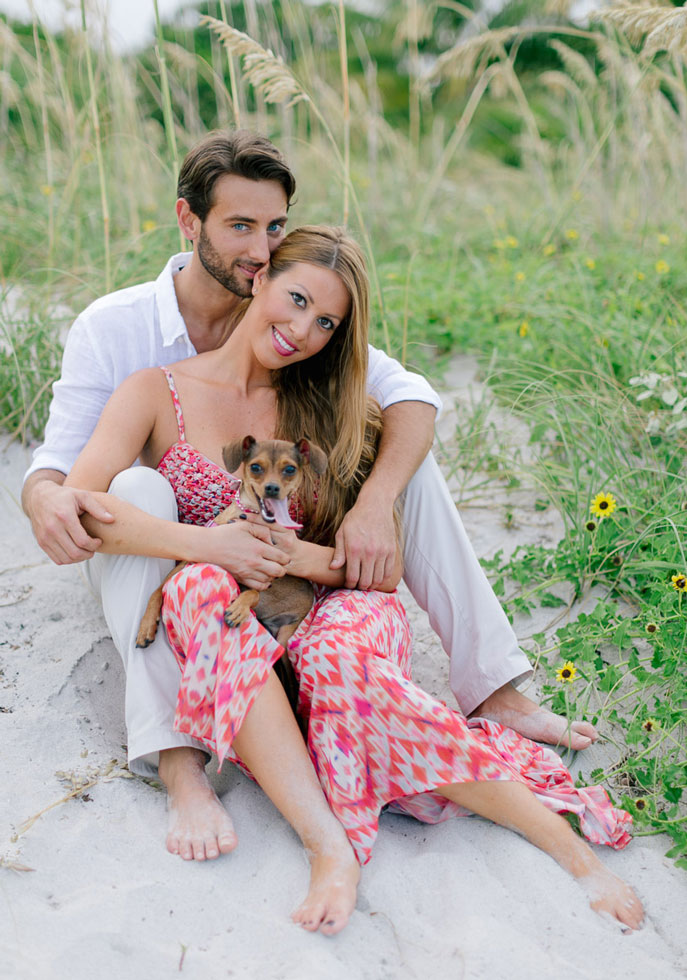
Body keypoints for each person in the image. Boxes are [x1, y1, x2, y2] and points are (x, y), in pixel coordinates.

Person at [22, 129, 596, 862]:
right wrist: (51, 501)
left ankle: (493, 688)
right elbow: (68, 478)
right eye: (239, 227)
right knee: (140, 484)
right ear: (188, 222)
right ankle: (177, 759)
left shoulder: (298, 329)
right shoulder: (119, 330)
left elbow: (408, 396)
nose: (260, 249)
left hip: (279, 569)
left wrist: (371, 504)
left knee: (407, 466)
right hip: (157, 557)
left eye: (274, 228)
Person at [64, 225, 643, 935]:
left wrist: (285, 554)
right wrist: (215, 546)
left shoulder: (328, 403)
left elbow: (377, 566)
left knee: (337, 657)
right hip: (234, 608)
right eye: (297, 299)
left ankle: (567, 849)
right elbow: (85, 508)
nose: (303, 330)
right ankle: (328, 846)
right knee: (197, 591)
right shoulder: (154, 390)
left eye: (327, 322)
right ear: (260, 278)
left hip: (339, 603)